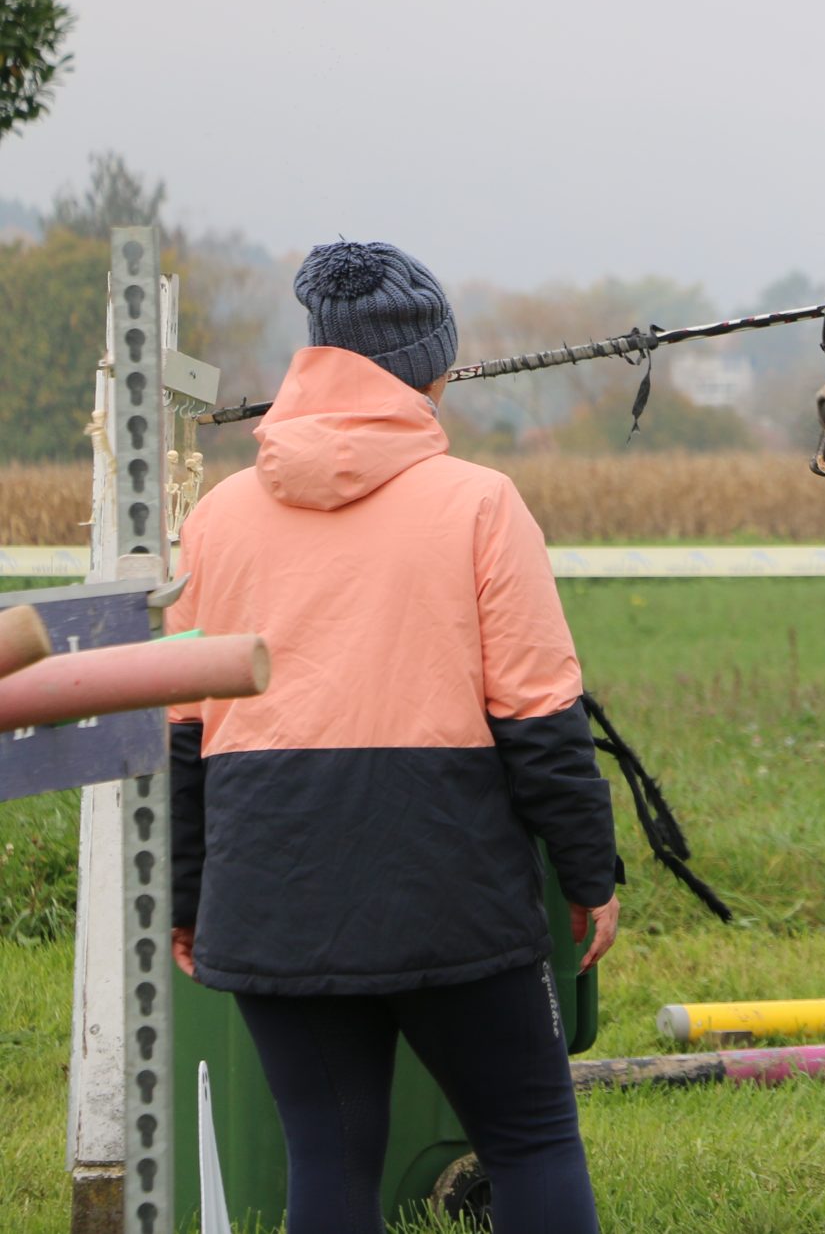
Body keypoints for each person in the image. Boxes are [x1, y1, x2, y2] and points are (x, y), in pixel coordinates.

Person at [166, 240, 619, 1234]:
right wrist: (590, 876)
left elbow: (183, 732)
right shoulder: (480, 504)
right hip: (447, 886)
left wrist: (189, 896)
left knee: (327, 1155)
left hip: (269, 888)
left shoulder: (216, 519)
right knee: (531, 1138)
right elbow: (542, 720)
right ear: (431, 368)